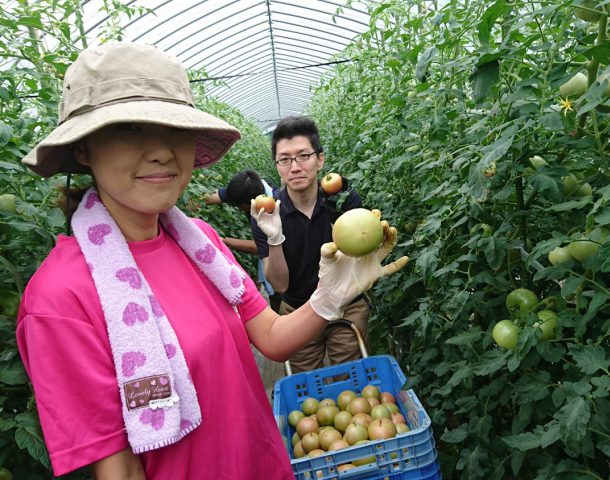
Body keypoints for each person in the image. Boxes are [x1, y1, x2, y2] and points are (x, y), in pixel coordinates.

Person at [15, 43, 408, 480]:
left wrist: (331, 294)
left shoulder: (200, 243)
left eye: (174, 129)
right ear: (84, 149)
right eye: (129, 128)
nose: (162, 151)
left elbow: (274, 339)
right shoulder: (61, 298)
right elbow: (122, 472)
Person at [251, 115, 370, 374]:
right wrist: (274, 238)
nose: (295, 167)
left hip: (345, 306)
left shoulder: (342, 201)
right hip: (297, 311)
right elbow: (280, 285)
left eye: (303, 156)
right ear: (277, 166)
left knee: (352, 382)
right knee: (306, 390)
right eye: (285, 159)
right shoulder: (267, 214)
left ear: (320, 159)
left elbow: (358, 259)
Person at [203, 169, 281, 311]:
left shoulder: (272, 211)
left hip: (279, 269)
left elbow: (260, 248)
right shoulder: (248, 189)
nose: (239, 210)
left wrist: (222, 241)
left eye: (240, 207)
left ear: (251, 202)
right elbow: (211, 197)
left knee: (279, 302)